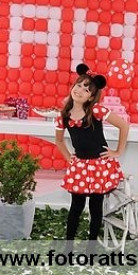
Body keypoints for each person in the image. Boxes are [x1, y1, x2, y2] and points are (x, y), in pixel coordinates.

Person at [55, 63, 129, 254]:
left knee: (96, 208)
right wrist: (69, 158)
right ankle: (68, 248)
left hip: (99, 166)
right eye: (79, 85)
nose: (80, 90)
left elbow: (123, 125)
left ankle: (91, 248)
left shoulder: (96, 111)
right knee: (76, 207)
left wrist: (117, 151)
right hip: (80, 166)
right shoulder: (63, 115)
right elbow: (59, 141)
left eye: (86, 89)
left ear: (90, 97)